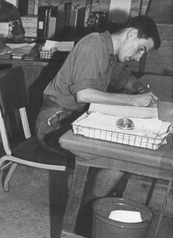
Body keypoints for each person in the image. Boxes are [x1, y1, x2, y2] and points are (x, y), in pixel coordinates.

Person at [35, 16, 161, 200]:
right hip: (54, 123)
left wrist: (140, 89)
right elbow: (84, 94)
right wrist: (131, 101)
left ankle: (96, 202)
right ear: (131, 34)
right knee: (118, 159)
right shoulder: (94, 44)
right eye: (141, 48)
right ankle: (82, 210)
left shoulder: (110, 54)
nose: (138, 57)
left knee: (124, 150)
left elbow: (123, 78)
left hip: (76, 119)